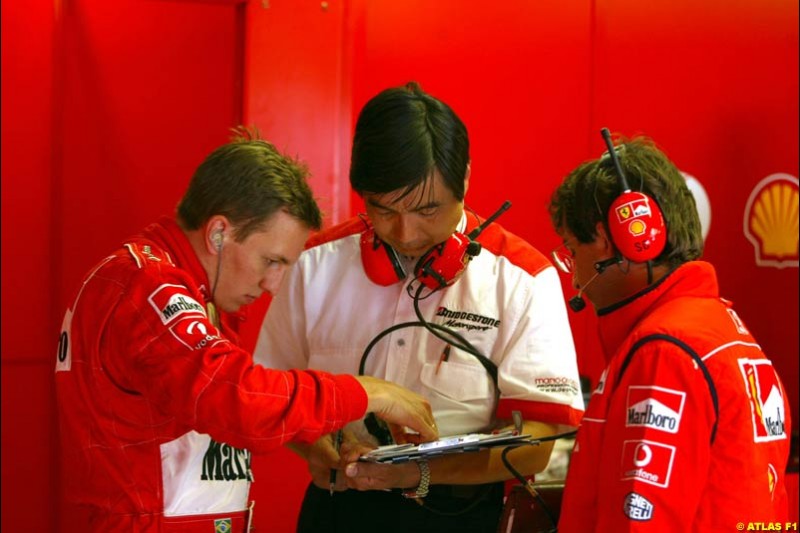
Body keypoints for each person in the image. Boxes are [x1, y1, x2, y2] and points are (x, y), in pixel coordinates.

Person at [54, 128, 438, 533]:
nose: (273, 285)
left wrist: (312, 440)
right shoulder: (149, 286)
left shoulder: (175, 286)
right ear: (218, 232)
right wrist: (367, 392)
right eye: (270, 261)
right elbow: (236, 398)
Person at [253, 82, 584, 533]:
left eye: (428, 210)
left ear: (464, 178)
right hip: (337, 509)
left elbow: (539, 443)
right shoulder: (315, 264)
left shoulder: (523, 280)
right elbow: (269, 392)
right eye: (383, 209)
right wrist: (312, 447)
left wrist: (415, 472)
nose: (405, 233)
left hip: (461, 516)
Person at [549, 133, 792, 531]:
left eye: (573, 250)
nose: (574, 277)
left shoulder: (665, 353)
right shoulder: (723, 330)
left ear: (619, 242)